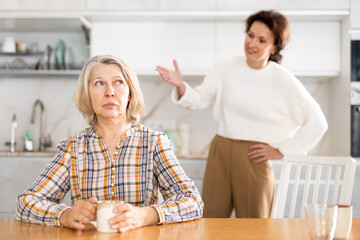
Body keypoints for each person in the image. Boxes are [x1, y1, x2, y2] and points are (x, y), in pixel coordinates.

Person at [155, 10, 328, 218]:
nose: (252, 43)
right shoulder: (226, 67)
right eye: (250, 35)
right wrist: (181, 85)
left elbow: (318, 122)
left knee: (257, 227)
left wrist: (283, 150)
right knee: (210, 222)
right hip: (220, 150)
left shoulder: (282, 79)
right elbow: (199, 98)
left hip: (254, 156)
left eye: (262, 40)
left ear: (274, 47)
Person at [16, 55, 203, 231]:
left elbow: (193, 202)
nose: (110, 92)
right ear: (87, 94)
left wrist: (147, 214)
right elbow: (26, 202)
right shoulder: (73, 148)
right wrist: (64, 214)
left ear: (130, 93)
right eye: (99, 84)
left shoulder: (154, 143)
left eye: (119, 82)